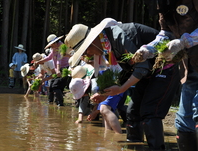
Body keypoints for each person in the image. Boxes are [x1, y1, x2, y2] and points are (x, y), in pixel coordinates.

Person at [64, 18, 180, 150]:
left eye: (85, 51)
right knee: (132, 113)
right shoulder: (107, 44)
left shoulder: (118, 35)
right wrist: (104, 95)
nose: (87, 55)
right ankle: (134, 147)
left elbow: (142, 66)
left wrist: (120, 89)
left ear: (91, 43)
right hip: (148, 73)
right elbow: (127, 72)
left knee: (150, 112)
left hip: (166, 66)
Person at [131, 1, 198, 151]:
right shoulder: (163, 4)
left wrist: (184, 41)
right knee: (183, 122)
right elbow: (165, 33)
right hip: (189, 67)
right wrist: (149, 49)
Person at [44, 34, 71, 106]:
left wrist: (58, 70)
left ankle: (60, 103)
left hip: (63, 68)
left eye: (51, 45)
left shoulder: (61, 47)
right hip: (58, 69)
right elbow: (49, 57)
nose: (51, 47)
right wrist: (39, 61)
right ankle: (51, 102)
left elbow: (59, 60)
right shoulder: (54, 48)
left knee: (56, 86)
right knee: (51, 86)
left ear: (55, 43)